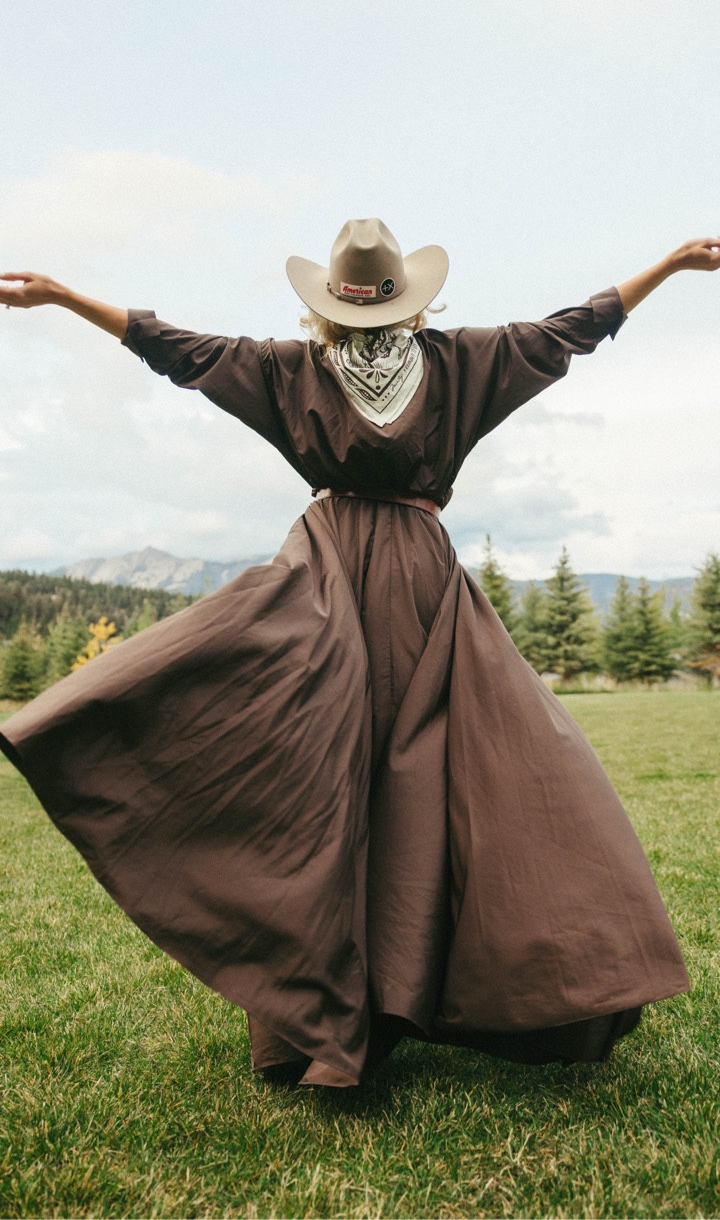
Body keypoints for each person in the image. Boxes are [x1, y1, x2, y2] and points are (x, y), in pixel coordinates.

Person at [1, 221, 718, 1090]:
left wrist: (674, 268)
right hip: (334, 588)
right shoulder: (332, 369)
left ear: (331, 308)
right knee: (328, 780)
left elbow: (572, 327)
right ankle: (328, 1014)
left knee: (463, 775)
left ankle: (401, 1001)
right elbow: (175, 348)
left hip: (397, 587)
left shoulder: (429, 363)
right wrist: (66, 298)